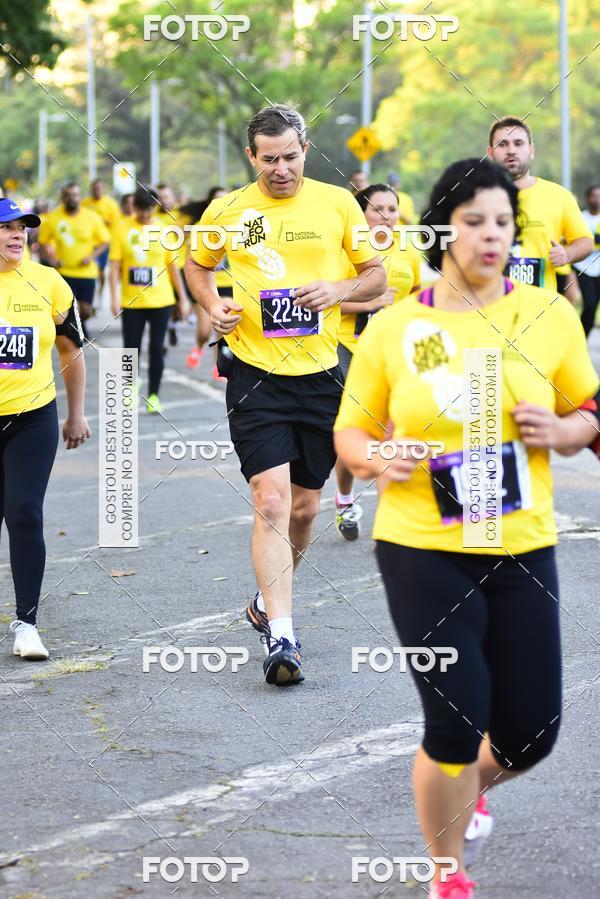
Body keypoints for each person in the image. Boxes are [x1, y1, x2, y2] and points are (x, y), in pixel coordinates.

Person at [334, 158, 600, 899]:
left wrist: (568, 430)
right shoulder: (394, 325)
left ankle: (466, 787)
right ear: (442, 228)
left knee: (529, 734)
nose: (491, 236)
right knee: (455, 719)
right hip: (423, 545)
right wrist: (383, 453)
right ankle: (445, 873)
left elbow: (592, 410)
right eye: (475, 220)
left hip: (519, 542)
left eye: (504, 223)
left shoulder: (548, 315)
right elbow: (350, 433)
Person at [185, 104, 385, 686]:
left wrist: (338, 287)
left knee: (304, 508)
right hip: (255, 376)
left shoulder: (336, 203)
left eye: (290, 157)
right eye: (268, 159)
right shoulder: (229, 210)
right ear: (252, 157)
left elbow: (376, 275)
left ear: (305, 150)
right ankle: (282, 635)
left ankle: (267, 600)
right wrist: (212, 303)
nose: (281, 169)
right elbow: (197, 266)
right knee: (270, 500)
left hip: (322, 376)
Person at [0, 198, 91, 660]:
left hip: (31, 416)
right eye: (6, 227)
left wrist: (76, 413)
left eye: (23, 228)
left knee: (24, 512)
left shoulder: (48, 282)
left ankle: (27, 624)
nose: (17, 235)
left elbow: (71, 350)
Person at [335, 183, 421, 541]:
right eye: (377, 209)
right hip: (347, 346)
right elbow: (325, 301)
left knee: (393, 428)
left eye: (392, 208)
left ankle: (392, 515)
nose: (386, 216)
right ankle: (343, 499)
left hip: (393, 351)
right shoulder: (343, 250)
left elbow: (418, 294)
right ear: (361, 214)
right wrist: (368, 304)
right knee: (352, 427)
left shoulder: (407, 250)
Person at [487, 116, 593, 293]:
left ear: (531, 150)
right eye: (503, 144)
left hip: (539, 309)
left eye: (518, 143)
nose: (511, 150)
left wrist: (567, 254)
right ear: (490, 152)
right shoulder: (474, 197)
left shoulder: (559, 196)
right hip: (490, 307)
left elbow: (585, 242)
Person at [109, 189, 190, 414]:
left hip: (161, 301)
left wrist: (182, 298)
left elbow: (173, 267)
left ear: (154, 207)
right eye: (140, 210)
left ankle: (154, 394)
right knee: (130, 349)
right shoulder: (121, 228)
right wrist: (114, 297)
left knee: (156, 348)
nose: (144, 215)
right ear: (133, 206)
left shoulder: (164, 230)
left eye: (148, 210)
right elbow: (115, 266)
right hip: (132, 301)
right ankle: (130, 387)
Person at [38, 183, 110, 338]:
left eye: (75, 195)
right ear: (62, 198)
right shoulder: (53, 218)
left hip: (87, 273)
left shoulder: (91, 217)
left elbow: (105, 241)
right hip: (64, 273)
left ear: (80, 197)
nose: (71, 198)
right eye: (67, 195)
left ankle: (80, 322)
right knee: (68, 308)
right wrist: (52, 260)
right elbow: (42, 242)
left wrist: (91, 256)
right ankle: (73, 333)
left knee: (86, 310)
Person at [155, 183, 187, 348]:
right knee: (166, 303)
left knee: (175, 303)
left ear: (173, 198)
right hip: (159, 268)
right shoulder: (152, 215)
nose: (163, 200)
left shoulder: (181, 215)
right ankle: (165, 334)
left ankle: (172, 326)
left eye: (166, 196)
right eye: (160, 197)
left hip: (178, 265)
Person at [82, 179, 121, 293]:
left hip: (104, 243)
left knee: (101, 270)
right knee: (91, 268)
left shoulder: (111, 205)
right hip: (89, 242)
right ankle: (91, 293)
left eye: (99, 188)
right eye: (94, 189)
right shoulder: (85, 204)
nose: (96, 191)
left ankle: (100, 291)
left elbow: (116, 224)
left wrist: (103, 221)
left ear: (103, 189)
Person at [573, 184, 600, 336]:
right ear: (587, 198)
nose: (597, 200)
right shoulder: (580, 218)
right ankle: (580, 338)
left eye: (599, 196)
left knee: (594, 307)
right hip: (583, 268)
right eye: (594, 196)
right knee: (589, 304)